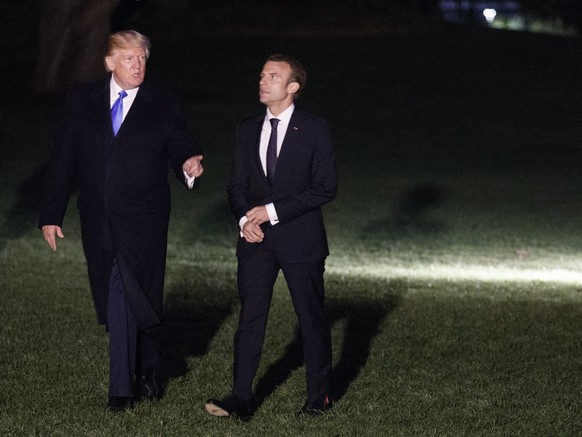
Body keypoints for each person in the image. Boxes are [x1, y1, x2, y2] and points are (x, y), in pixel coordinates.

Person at [38, 30, 204, 412]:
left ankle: (121, 390)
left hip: (143, 220)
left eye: (143, 58)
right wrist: (51, 214)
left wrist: (188, 162)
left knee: (124, 291)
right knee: (124, 299)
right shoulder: (81, 102)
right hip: (97, 219)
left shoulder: (163, 103)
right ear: (110, 62)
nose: (138, 65)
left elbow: (180, 141)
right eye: (129, 58)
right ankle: (149, 364)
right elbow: (64, 158)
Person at [206, 54, 337, 420]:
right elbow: (236, 185)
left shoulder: (314, 128)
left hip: (301, 241)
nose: (263, 81)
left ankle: (319, 396)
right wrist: (245, 218)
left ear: (293, 87)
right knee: (250, 319)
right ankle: (241, 398)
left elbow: (326, 188)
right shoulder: (246, 128)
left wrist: (272, 212)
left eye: (274, 76)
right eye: (262, 75)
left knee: (310, 318)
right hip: (255, 241)